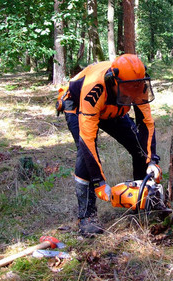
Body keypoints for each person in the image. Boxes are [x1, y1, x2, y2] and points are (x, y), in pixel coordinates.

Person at [56, 54, 161, 235]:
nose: (134, 93)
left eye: (136, 88)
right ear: (114, 81)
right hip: (77, 105)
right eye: (129, 89)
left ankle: (142, 201)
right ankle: (87, 216)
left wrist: (152, 160)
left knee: (139, 148)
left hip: (114, 109)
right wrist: (99, 182)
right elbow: (87, 141)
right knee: (84, 154)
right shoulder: (93, 90)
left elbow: (146, 124)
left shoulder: (138, 84)